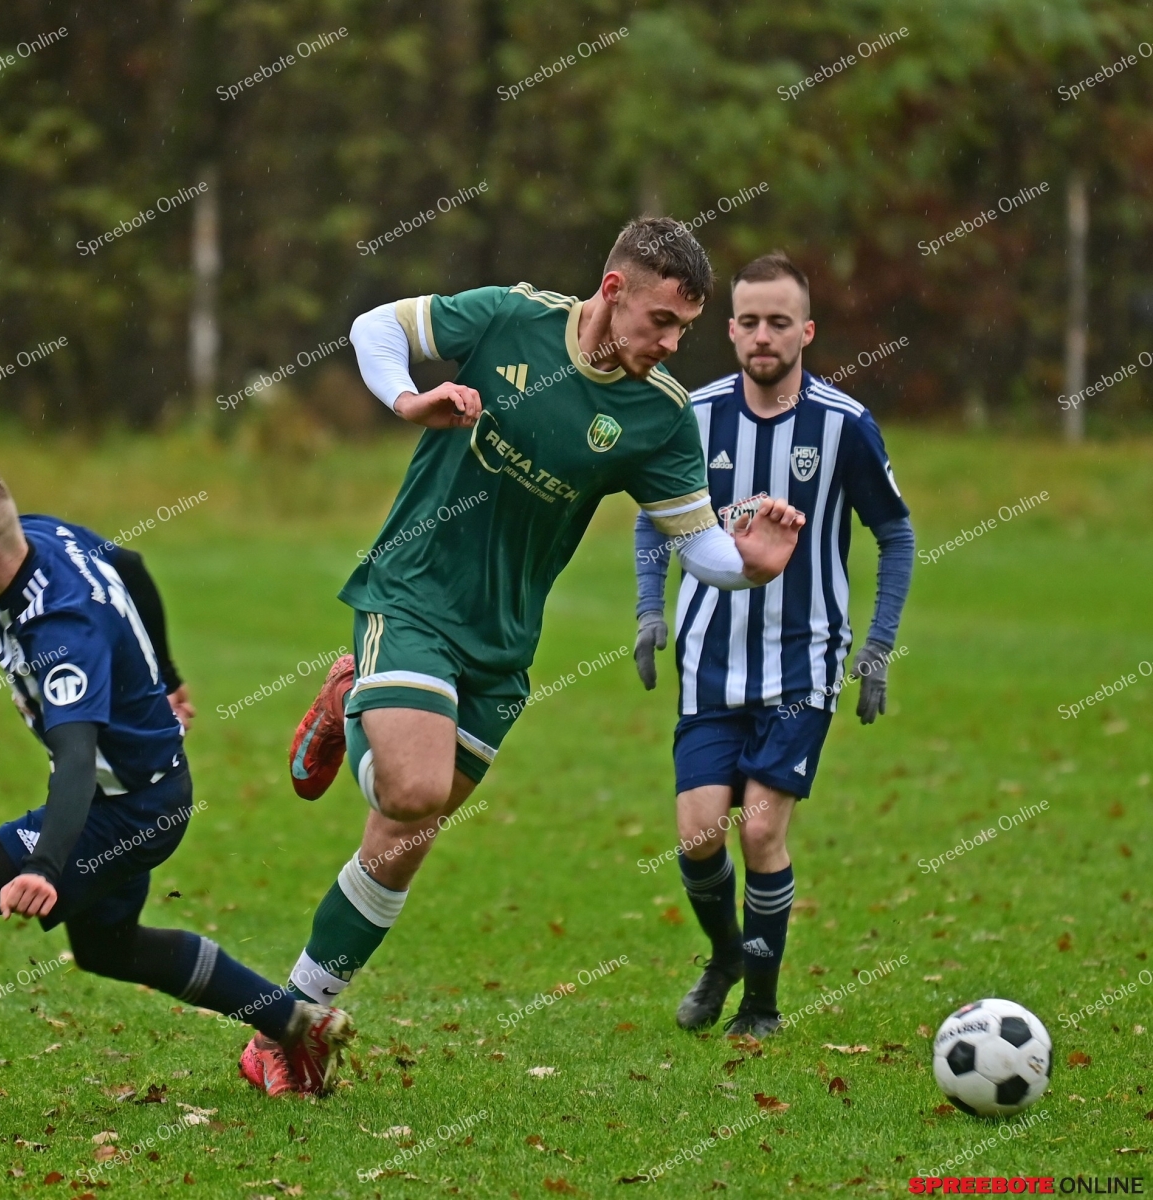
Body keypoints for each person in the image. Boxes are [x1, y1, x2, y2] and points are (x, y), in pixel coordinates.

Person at [239, 217, 809, 1085]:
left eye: (685, 329)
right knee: (412, 788)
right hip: (413, 593)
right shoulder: (511, 318)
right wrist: (406, 399)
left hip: (502, 645)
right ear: (612, 291)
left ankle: (289, 1021)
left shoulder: (657, 415)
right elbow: (375, 327)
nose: (670, 343)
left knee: (402, 841)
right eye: (659, 320)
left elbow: (696, 543)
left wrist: (750, 565)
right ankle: (352, 707)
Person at [0, 467, 353, 1118]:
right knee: (108, 947)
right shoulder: (39, 535)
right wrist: (167, 675)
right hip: (149, 793)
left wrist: (44, 865)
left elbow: (77, 761)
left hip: (124, 810)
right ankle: (296, 1025)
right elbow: (131, 565)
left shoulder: (61, 632)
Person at [632, 252, 915, 1037]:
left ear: (805, 332)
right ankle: (726, 957)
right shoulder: (693, 416)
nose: (763, 335)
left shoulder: (843, 424)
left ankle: (759, 1005)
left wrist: (878, 647)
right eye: (750, 321)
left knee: (759, 830)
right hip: (709, 661)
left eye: (778, 322)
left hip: (802, 660)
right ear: (729, 330)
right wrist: (649, 611)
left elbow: (894, 534)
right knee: (697, 837)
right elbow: (653, 519)